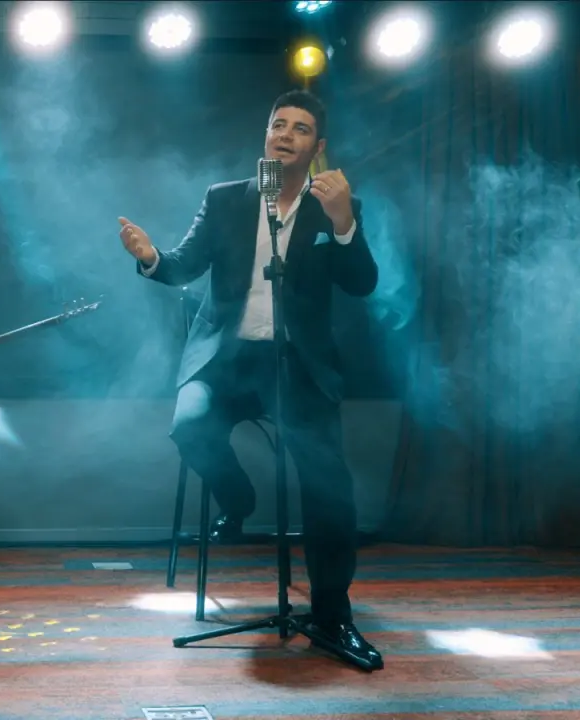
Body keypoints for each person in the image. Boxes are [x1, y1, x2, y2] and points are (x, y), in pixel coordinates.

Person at [117, 90, 383, 669]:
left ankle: (332, 614)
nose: (285, 134)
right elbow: (183, 264)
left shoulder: (336, 204)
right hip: (226, 360)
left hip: (296, 364)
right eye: (277, 124)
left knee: (329, 484)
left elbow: (361, 282)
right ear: (266, 135)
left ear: (318, 146)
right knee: (190, 426)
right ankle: (237, 498)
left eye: (300, 128)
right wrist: (151, 256)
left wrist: (343, 223)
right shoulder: (225, 199)